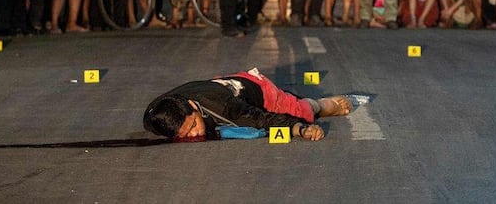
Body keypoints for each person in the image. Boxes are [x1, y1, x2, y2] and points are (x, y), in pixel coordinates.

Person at [143, 67, 352, 141]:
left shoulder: (225, 108)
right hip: (227, 84)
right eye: (185, 134)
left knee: (301, 111)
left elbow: (262, 120)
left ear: (193, 107)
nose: (194, 134)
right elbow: (150, 114)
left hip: (259, 89)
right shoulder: (158, 113)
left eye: (193, 126)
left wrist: (301, 129)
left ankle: (321, 104)